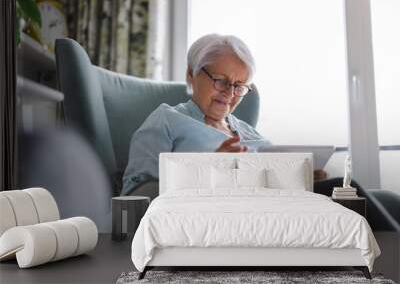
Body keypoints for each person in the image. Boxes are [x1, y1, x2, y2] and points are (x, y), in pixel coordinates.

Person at [122, 34, 326, 196]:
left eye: (239, 86)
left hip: (268, 210)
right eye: (220, 80)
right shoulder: (167, 120)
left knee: (342, 189)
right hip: (212, 219)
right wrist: (212, 169)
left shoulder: (248, 132)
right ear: (191, 74)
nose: (229, 93)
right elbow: (134, 195)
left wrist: (301, 179)